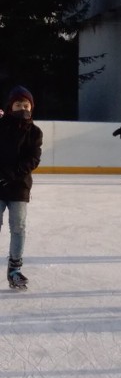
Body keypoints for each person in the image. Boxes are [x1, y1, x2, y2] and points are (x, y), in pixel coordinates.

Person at [0, 85, 43, 290]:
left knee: (18, 227)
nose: (22, 108)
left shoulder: (34, 132)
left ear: (31, 107)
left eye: (26, 104)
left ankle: (14, 270)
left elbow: (33, 159)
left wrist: (11, 174)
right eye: (18, 104)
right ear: (11, 106)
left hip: (19, 187)